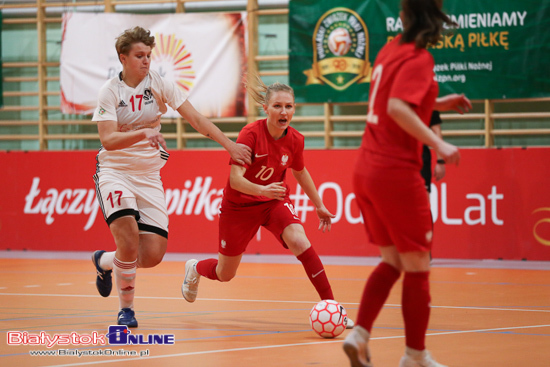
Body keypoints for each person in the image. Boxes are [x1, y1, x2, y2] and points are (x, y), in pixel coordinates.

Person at [90, 26, 251, 328]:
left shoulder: (159, 85)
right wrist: (144, 132)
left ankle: (103, 260)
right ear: (123, 58)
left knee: (151, 255)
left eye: (149, 55)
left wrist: (229, 144)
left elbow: (196, 119)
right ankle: (127, 310)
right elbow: (109, 140)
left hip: (148, 175)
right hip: (115, 172)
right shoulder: (110, 91)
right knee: (127, 236)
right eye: (139, 56)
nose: (146, 61)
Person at [343, 1, 471, 366]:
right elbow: (398, 107)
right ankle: (415, 356)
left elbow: (391, 101)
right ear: (436, 22)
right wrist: (440, 143)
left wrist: (438, 102)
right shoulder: (420, 58)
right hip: (396, 174)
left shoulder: (390, 49)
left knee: (393, 261)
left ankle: (359, 334)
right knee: (419, 266)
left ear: (404, 16)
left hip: (365, 170)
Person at [180, 76, 353, 329]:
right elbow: (235, 180)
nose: (284, 112)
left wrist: (318, 204)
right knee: (225, 274)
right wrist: (263, 189)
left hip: (273, 203)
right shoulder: (250, 134)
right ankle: (195, 268)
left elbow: (300, 172)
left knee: (299, 240)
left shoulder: (295, 140)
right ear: (266, 109)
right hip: (239, 207)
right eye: (278, 106)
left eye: (289, 106)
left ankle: (334, 308)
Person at [420, 111, 446, 194]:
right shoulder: (395, 101)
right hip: (398, 156)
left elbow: (436, 130)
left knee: (423, 198)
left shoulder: (428, 101)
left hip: (421, 156)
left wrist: (440, 161)